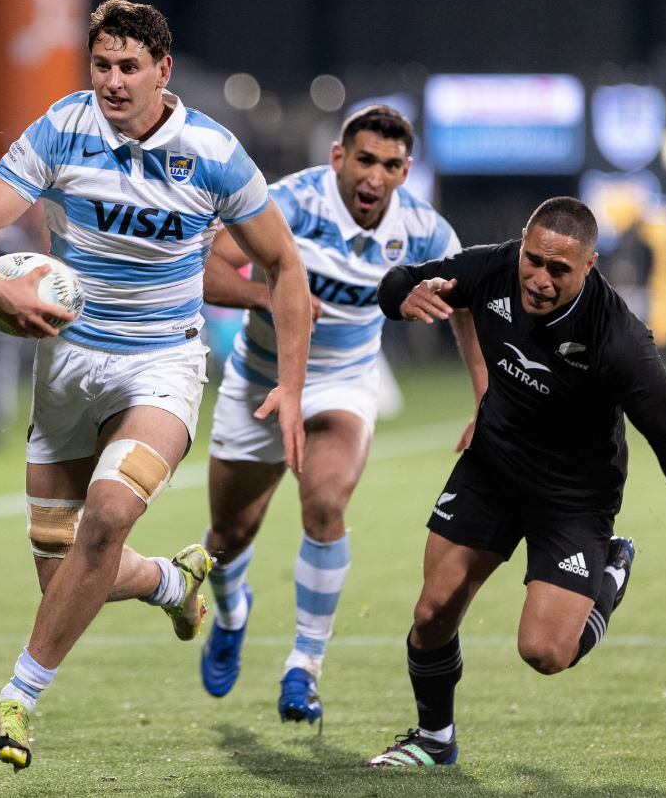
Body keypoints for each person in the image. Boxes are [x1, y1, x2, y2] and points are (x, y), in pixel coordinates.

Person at [0, 0, 312, 770]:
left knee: (107, 515)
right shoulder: (61, 128)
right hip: (67, 369)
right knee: (65, 574)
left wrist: (296, 385)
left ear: (161, 71)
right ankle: (172, 582)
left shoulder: (212, 152)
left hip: (163, 365)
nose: (112, 81)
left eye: (129, 67)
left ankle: (16, 698)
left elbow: (283, 264)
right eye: (102, 64)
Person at [366, 196, 666, 768]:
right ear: (523, 245)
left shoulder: (620, 341)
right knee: (431, 613)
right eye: (533, 260)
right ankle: (434, 738)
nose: (539, 278)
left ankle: (609, 572)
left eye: (558, 269)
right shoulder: (491, 268)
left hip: (574, 498)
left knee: (545, 653)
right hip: (492, 469)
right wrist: (403, 297)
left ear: (589, 265)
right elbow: (399, 280)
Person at [197, 105, 487, 725]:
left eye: (389, 165)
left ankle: (304, 666)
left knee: (326, 504)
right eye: (364, 160)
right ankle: (230, 614)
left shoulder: (426, 232)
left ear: (405, 172)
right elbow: (209, 267)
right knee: (227, 537)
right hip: (261, 379)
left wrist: (486, 400)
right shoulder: (291, 203)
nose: (374, 176)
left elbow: (467, 306)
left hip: (343, 384)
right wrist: (279, 299)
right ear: (338, 159)